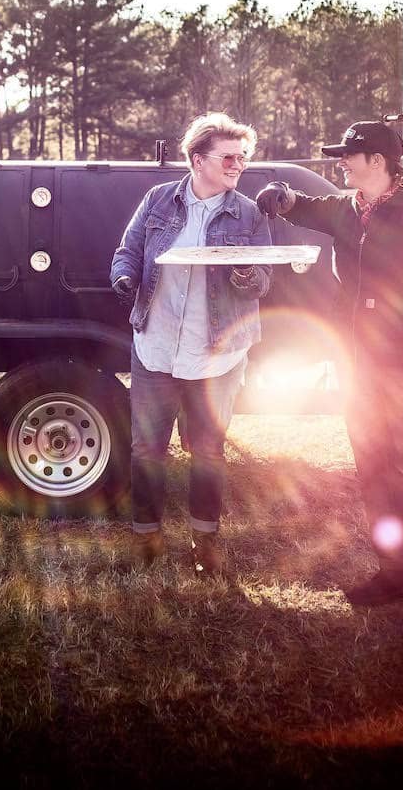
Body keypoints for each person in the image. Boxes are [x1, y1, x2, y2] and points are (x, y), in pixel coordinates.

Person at [256, 120, 403, 645]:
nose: (341, 163)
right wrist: (281, 195)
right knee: (375, 472)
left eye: (349, 156)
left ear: (378, 160)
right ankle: (400, 573)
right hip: (358, 367)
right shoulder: (349, 207)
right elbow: (306, 207)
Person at [110, 113, 272, 576]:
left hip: (217, 355)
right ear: (198, 160)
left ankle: (205, 542)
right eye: (228, 157)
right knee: (147, 450)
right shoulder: (158, 200)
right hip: (156, 348)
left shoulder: (249, 213)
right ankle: (146, 537)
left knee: (208, 452)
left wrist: (246, 273)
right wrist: (124, 278)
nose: (238, 164)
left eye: (242, 157)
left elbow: (264, 279)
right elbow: (127, 252)